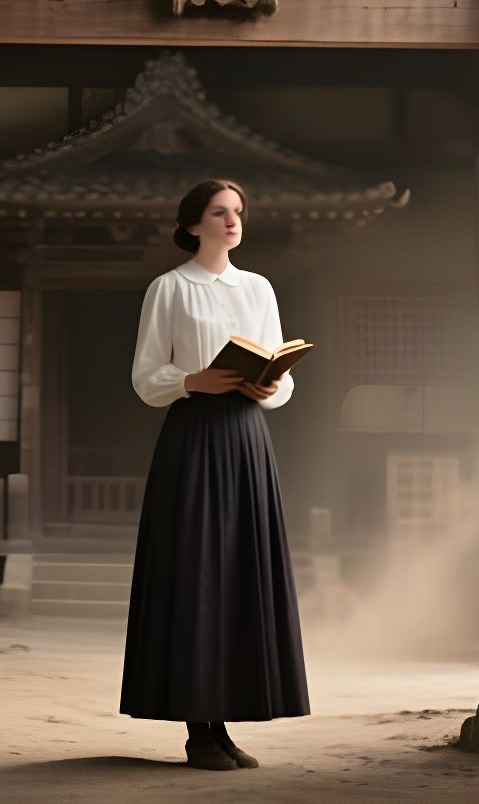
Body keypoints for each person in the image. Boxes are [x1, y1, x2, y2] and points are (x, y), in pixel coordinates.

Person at [120, 178, 310, 771]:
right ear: (193, 224)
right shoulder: (169, 288)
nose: (232, 221)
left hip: (248, 437)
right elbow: (146, 376)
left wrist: (272, 385)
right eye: (219, 212)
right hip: (194, 437)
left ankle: (226, 724)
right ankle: (198, 729)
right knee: (196, 574)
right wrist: (191, 381)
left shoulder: (258, 287)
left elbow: (283, 373)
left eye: (238, 212)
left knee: (240, 574)